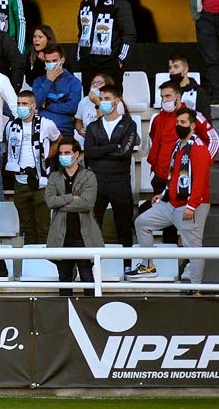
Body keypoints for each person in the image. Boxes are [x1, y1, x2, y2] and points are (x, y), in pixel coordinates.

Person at [131, 107, 211, 289]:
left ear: (192, 125)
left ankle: (196, 289)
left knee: (194, 248)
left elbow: (199, 181)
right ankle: (148, 265)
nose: (178, 125)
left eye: (182, 123)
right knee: (142, 222)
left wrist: (191, 206)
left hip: (191, 206)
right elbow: (173, 175)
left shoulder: (198, 149)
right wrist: (164, 194)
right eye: (177, 123)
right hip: (171, 203)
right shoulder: (178, 145)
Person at [83, 84, 140, 255]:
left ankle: (127, 265)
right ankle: (92, 265)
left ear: (117, 100)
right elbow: (90, 152)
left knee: (123, 225)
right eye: (101, 99)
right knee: (93, 225)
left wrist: (103, 150)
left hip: (120, 182)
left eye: (107, 99)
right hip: (97, 181)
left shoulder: (129, 124)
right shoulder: (93, 126)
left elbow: (125, 152)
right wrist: (112, 146)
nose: (103, 102)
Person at [45, 137, 102, 297]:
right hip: (61, 236)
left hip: (84, 236)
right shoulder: (54, 177)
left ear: (76, 154)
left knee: (87, 277)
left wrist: (60, 203)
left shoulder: (89, 176)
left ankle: (90, 312)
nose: (64, 155)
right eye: (61, 153)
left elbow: (86, 203)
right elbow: (50, 201)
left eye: (67, 152)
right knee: (64, 279)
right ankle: (65, 313)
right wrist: (71, 197)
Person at [4, 91, 61, 244]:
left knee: (43, 226)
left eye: (24, 104)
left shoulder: (46, 124)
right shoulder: (11, 125)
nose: (20, 107)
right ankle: (30, 263)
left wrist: (48, 156)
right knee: (27, 228)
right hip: (20, 181)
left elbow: (58, 139)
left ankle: (44, 264)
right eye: (18, 104)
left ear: (33, 105)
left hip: (41, 180)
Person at [75, 0, 135, 85]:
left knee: (111, 98)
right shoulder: (85, 3)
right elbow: (81, 30)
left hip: (110, 62)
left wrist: (120, 60)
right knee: (90, 99)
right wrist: (81, 55)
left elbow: (129, 34)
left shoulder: (120, 4)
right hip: (88, 62)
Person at [32, 45, 83, 137]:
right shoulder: (39, 81)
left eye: (54, 61)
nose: (51, 64)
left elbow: (72, 107)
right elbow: (36, 103)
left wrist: (47, 105)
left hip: (63, 129)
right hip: (41, 129)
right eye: (48, 61)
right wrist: (49, 81)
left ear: (62, 60)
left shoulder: (73, 82)